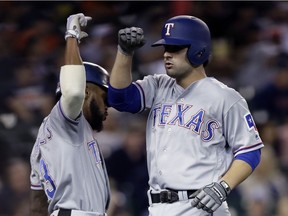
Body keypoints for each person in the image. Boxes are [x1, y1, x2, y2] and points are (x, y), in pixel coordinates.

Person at [107, 15, 264, 216]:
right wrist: (124, 53)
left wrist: (224, 186)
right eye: (165, 48)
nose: (166, 55)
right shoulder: (158, 85)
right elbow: (119, 98)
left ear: (199, 51)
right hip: (157, 206)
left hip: (201, 205)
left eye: (175, 48)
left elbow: (250, 150)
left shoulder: (226, 97)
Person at [29, 13, 110, 216]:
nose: (108, 106)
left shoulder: (55, 133)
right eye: (104, 97)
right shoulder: (66, 122)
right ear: (86, 92)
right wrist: (71, 35)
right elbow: (73, 91)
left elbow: (38, 205)